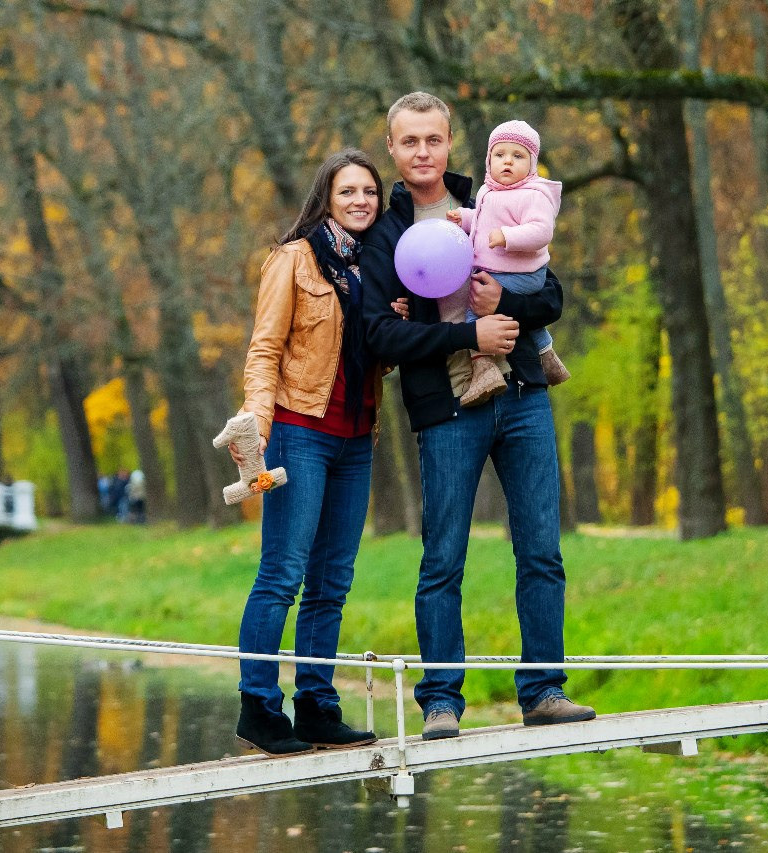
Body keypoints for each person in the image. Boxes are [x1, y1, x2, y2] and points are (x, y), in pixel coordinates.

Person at [361, 92, 596, 741]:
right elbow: (382, 335)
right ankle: (441, 699)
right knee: (443, 559)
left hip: (522, 393)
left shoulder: (491, 198)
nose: (422, 152)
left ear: (448, 141)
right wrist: (468, 336)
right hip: (447, 410)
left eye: (432, 140)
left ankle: (543, 689)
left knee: (542, 549)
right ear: (393, 148)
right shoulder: (386, 232)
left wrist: (505, 298)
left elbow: (551, 291)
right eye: (409, 142)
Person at [231, 148, 388, 757]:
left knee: (332, 582)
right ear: (326, 197)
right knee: (283, 575)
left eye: (370, 192)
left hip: (356, 437)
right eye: (348, 191)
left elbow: (373, 351)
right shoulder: (292, 260)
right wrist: (256, 428)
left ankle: (318, 705)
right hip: (299, 432)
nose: (361, 201)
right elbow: (265, 349)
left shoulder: (374, 269)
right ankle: (259, 708)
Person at [446, 119, 569, 406]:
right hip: (509, 271)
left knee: (473, 304)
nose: (507, 163)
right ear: (489, 160)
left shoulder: (533, 194)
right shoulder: (491, 192)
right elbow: (482, 219)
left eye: (518, 156)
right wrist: (463, 218)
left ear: (532, 163)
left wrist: (508, 236)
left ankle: (484, 368)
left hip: (523, 274)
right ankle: (548, 357)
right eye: (500, 155)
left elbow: (542, 231)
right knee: (521, 316)